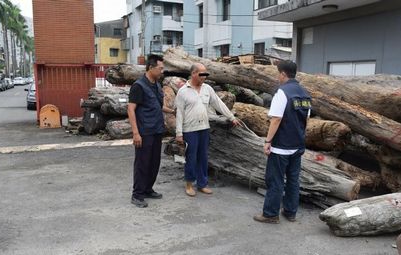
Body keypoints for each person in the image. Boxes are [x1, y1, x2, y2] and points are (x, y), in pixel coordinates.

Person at [253, 60, 311, 224]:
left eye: (278, 73)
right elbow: (305, 121)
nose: (277, 76)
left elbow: (276, 119)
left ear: (283, 74)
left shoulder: (282, 92)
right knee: (293, 180)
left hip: (281, 146)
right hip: (297, 145)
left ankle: (271, 214)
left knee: (275, 180)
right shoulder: (304, 93)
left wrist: (268, 141)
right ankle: (290, 212)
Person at [175, 63, 240, 197]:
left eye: (205, 74)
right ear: (193, 74)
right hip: (189, 130)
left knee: (203, 157)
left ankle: (202, 184)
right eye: (201, 74)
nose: (204, 77)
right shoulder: (183, 91)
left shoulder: (207, 89)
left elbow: (218, 103)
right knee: (191, 158)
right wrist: (179, 133)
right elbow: (179, 113)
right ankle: (189, 184)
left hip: (204, 128)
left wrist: (231, 117)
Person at [127, 54, 175, 208]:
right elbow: (131, 109)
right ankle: (137, 194)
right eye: (160, 68)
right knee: (142, 163)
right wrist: (135, 133)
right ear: (150, 67)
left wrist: (172, 111)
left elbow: (157, 105)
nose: (162, 71)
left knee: (154, 162)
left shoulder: (157, 85)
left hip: (157, 130)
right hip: (144, 131)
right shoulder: (138, 86)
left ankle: (148, 189)